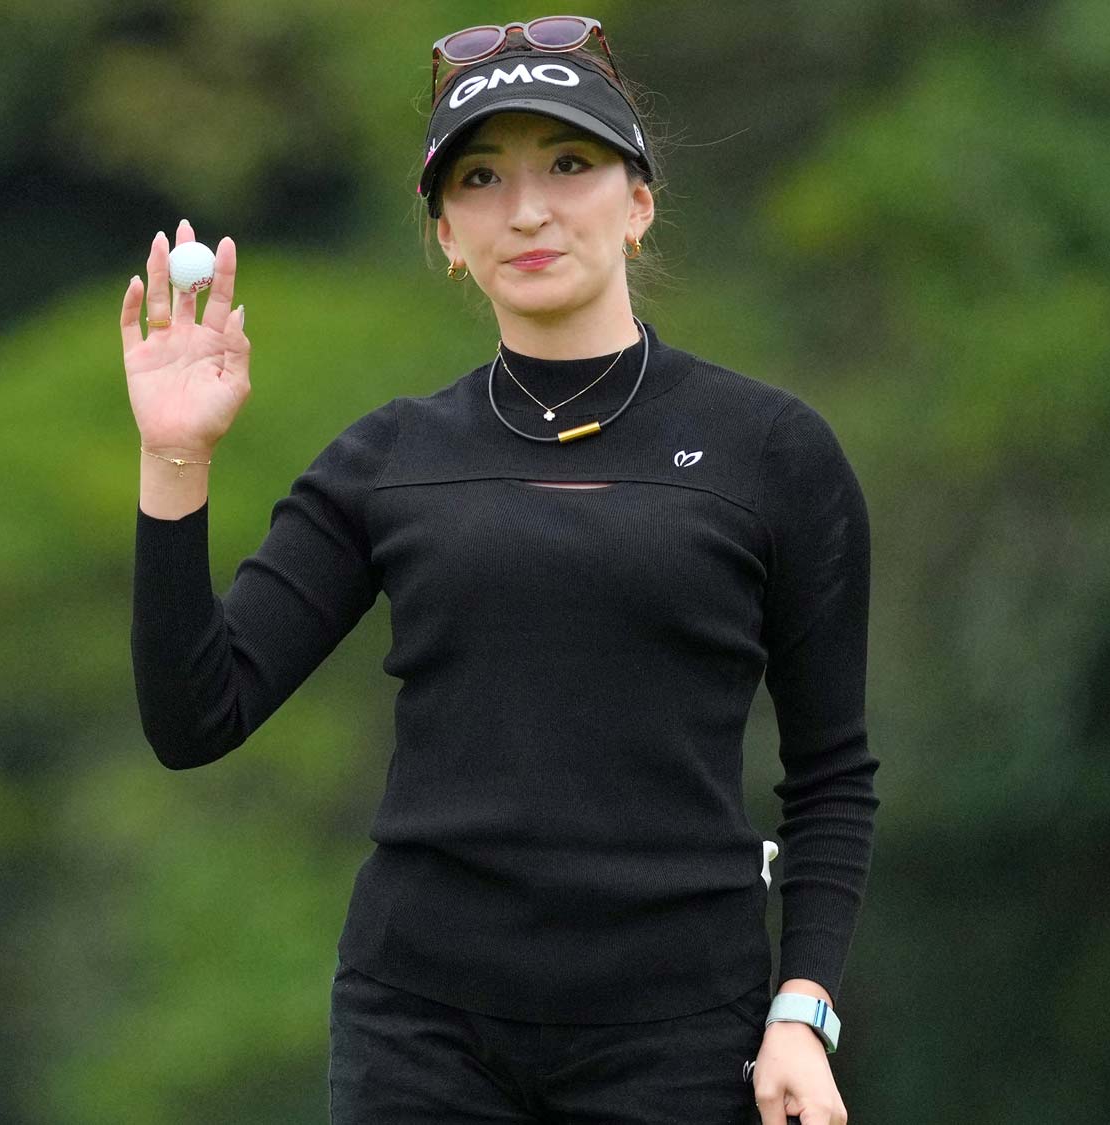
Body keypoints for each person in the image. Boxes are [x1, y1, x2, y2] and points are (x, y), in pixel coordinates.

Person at [120, 17, 874, 1124]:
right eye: (480, 177)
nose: (525, 209)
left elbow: (829, 776)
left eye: (567, 164)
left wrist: (800, 1010)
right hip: (419, 1040)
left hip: (678, 1039)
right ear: (443, 234)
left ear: (638, 201)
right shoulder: (388, 459)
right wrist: (174, 459)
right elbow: (197, 718)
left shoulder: (771, 451)